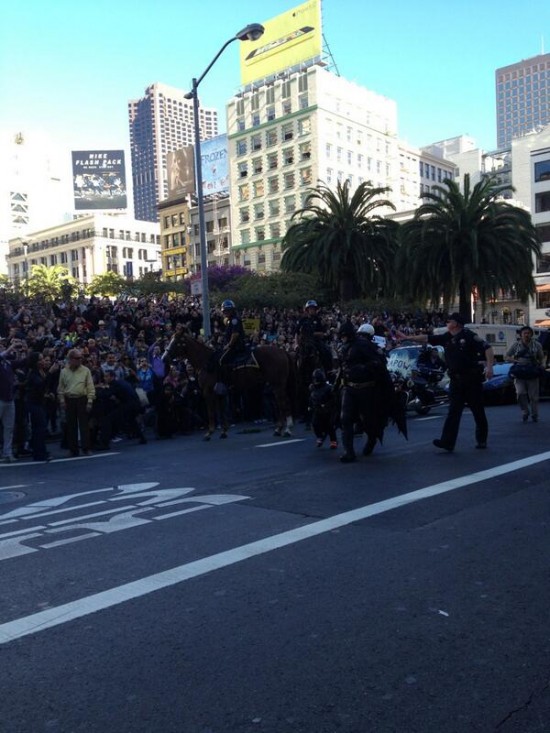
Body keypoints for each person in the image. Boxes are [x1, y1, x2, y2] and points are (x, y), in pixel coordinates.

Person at [398, 313, 494, 451]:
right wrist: (408, 338)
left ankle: (481, 440)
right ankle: (447, 442)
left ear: (456, 323)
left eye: (449, 321)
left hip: (471, 379)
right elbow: (427, 338)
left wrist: (489, 368)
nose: (447, 323)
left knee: (477, 411)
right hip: (455, 380)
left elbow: (488, 348)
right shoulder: (447, 337)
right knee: (453, 412)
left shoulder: (469, 336)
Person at [337, 320, 394, 463]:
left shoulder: (364, 345)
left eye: (344, 335)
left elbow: (378, 363)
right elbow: (342, 367)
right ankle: (348, 451)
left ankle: (372, 439)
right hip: (349, 387)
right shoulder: (344, 347)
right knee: (345, 419)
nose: (342, 338)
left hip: (366, 388)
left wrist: (362, 368)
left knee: (368, 420)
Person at [57, 348, 96, 457]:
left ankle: (86, 448)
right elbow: (61, 388)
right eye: (77, 358)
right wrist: (62, 400)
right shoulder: (64, 372)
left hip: (82, 398)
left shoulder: (85, 370)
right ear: (70, 359)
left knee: (84, 425)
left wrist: (90, 401)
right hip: (69, 399)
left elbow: (90, 386)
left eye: (81, 358)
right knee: (71, 425)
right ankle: (73, 449)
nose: (80, 360)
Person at [505, 325, 545, 422]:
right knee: (520, 393)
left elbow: (542, 357)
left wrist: (542, 365)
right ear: (521, 335)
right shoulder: (516, 345)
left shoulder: (537, 345)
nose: (527, 335)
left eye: (529, 333)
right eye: (525, 333)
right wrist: (515, 361)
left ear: (531, 334)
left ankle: (534, 414)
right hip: (520, 373)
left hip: (532, 372)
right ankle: (525, 411)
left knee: (533, 396)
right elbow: (506, 356)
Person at [0, 338, 27, 462]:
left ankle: (7, 452)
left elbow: (22, 362)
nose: (2, 347)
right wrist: (11, 347)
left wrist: (24, 350)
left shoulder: (9, 363)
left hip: (9, 399)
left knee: (9, 427)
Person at [24, 351, 52, 462]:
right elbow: (39, 384)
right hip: (34, 404)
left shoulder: (41, 371)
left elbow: (42, 388)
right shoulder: (33, 373)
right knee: (39, 428)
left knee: (40, 428)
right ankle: (39, 452)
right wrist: (50, 372)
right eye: (40, 359)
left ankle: (40, 450)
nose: (42, 361)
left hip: (40, 402)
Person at [296, 300, 332, 374]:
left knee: (326, 351)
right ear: (307, 310)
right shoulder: (302, 320)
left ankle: (328, 371)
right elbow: (296, 332)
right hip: (303, 342)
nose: (312, 310)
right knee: (294, 355)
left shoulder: (318, 320)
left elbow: (322, 332)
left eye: (313, 308)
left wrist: (313, 334)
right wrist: (296, 344)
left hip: (315, 341)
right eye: (310, 308)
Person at [308, 368, 338, 450]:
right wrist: (310, 406)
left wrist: (326, 405)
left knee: (330, 425)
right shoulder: (312, 388)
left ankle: (333, 440)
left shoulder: (329, 388)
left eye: (317, 379)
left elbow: (334, 400)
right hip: (317, 409)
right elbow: (311, 398)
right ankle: (319, 437)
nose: (316, 381)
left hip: (328, 410)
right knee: (315, 423)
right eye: (315, 380)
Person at [219, 300, 246, 370]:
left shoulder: (234, 320)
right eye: (225, 311)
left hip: (236, 346)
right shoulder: (230, 320)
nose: (225, 312)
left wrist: (229, 345)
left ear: (232, 310)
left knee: (222, 360)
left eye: (228, 310)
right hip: (233, 345)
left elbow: (235, 334)